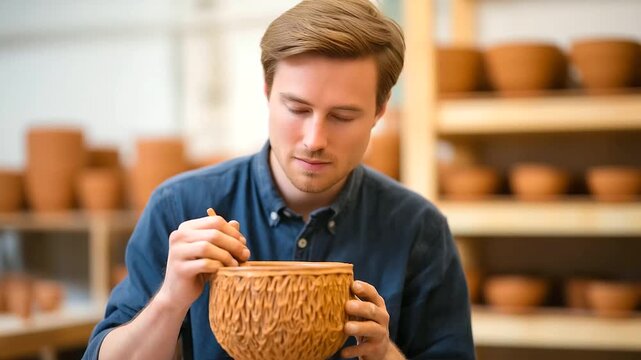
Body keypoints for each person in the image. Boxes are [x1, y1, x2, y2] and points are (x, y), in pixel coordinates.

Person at [83, 0, 474, 359]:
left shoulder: (418, 228)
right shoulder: (178, 207)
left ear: (379, 110)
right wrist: (170, 299)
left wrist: (386, 352)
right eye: (297, 108)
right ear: (268, 91)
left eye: (342, 116)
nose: (314, 140)